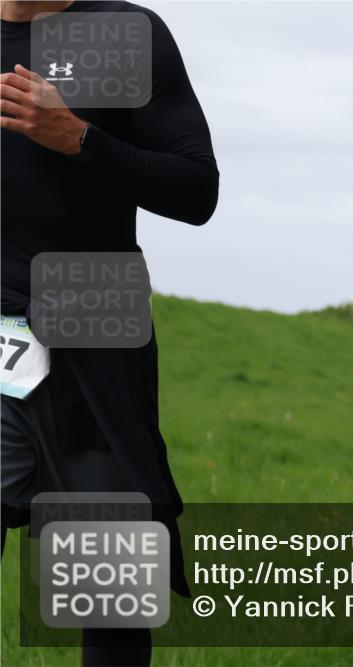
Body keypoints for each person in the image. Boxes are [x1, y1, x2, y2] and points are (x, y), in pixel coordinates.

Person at [1, 1, 218, 665]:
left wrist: (78, 138)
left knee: (110, 583)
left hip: (96, 327)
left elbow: (197, 190)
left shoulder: (126, 33)